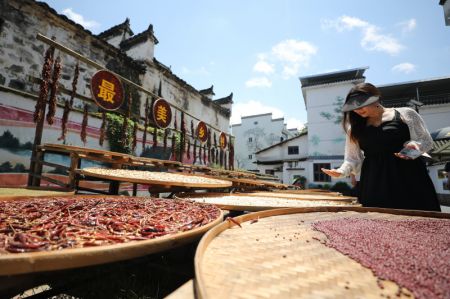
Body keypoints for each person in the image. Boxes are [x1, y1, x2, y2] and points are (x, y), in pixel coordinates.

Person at [321, 82, 441, 211]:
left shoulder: (406, 114)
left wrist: (412, 149)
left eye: (362, 104)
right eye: (354, 107)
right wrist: (341, 171)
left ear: (376, 99)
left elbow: (426, 141)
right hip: (374, 179)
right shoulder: (354, 128)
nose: (358, 110)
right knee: (379, 223)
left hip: (409, 175)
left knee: (419, 218)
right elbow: (352, 158)